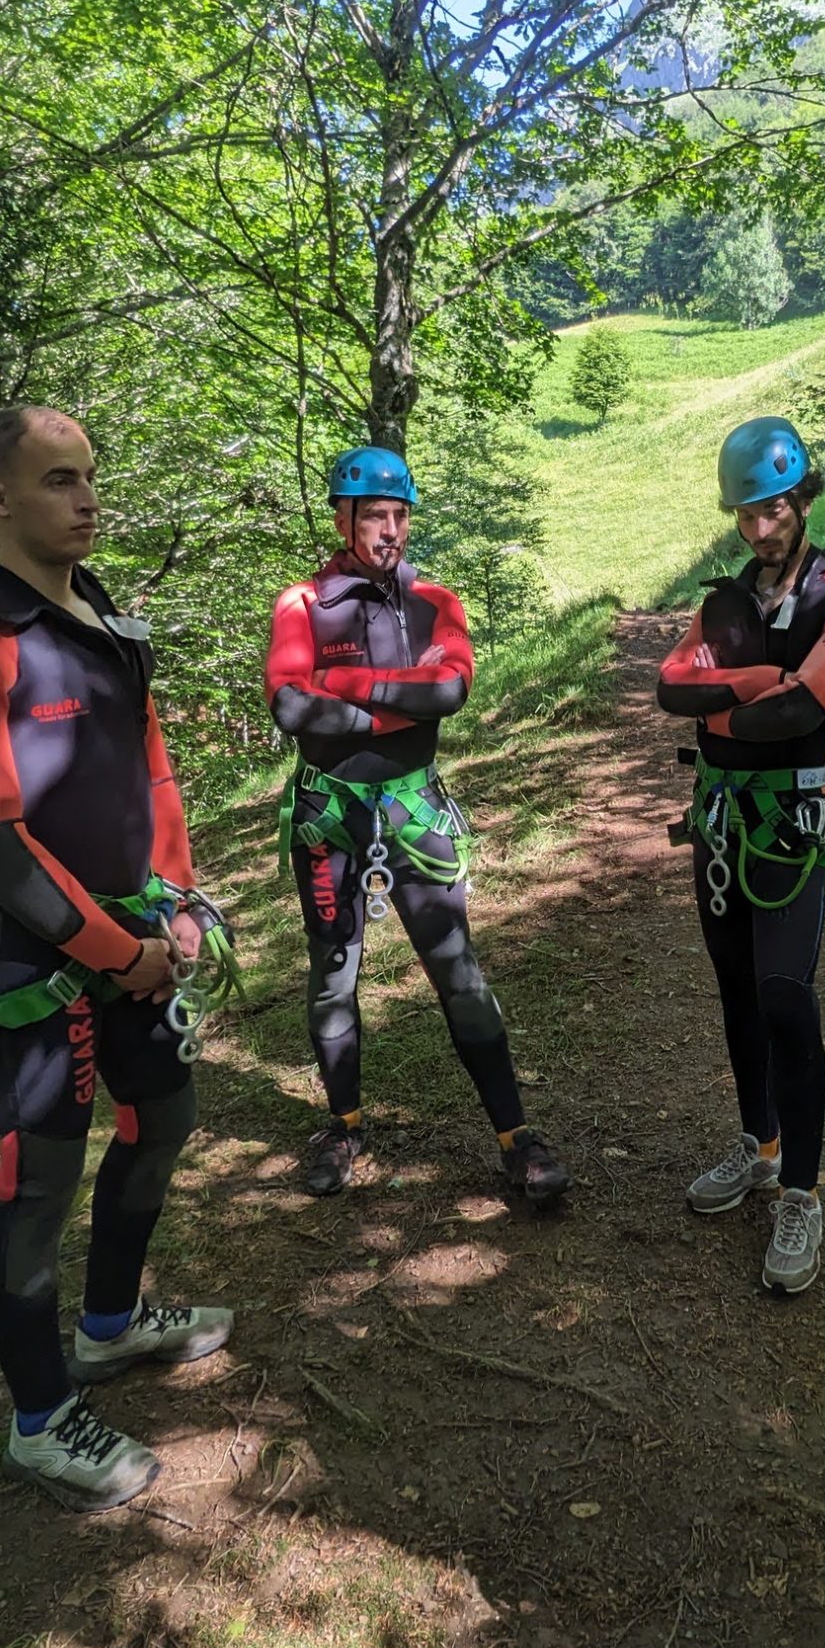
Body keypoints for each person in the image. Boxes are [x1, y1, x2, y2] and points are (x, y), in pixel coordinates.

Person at [0, 406, 233, 1513]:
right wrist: (117, 951)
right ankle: (40, 1419)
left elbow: (155, 772)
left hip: (138, 932)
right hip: (30, 956)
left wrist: (177, 907)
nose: (87, 498)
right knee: (39, 1180)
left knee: (165, 1118)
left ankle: (107, 1324)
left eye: (90, 475)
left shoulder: (103, 615)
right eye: (58, 480)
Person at [264, 447, 569, 1205]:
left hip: (413, 810)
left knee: (459, 973)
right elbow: (290, 707)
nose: (390, 530)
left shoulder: (435, 599)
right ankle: (344, 1125)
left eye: (400, 515)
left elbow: (453, 689)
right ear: (342, 517)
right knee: (333, 979)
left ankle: (514, 1136)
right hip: (330, 816)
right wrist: (398, 701)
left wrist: (345, 688)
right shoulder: (300, 604)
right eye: (374, 516)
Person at [657, 418, 825, 1294]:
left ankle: (802, 1191)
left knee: (787, 1000)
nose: (758, 529)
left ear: (805, 499)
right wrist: (758, 685)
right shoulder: (724, 604)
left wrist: (739, 697)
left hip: (789, 827)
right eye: (745, 513)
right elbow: (672, 687)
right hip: (719, 822)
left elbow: (798, 715)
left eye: (774, 509)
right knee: (737, 994)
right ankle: (761, 1146)